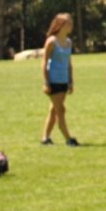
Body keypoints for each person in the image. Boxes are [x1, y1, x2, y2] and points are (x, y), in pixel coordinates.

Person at [39, 13, 79, 146]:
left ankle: (45, 138)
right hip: (53, 80)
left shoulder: (68, 42)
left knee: (54, 110)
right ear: (61, 25)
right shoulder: (51, 41)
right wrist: (45, 82)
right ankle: (68, 138)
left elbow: (68, 63)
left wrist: (71, 81)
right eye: (69, 23)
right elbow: (44, 62)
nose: (71, 25)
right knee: (60, 110)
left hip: (63, 80)